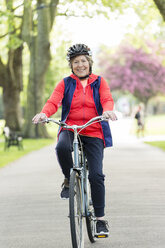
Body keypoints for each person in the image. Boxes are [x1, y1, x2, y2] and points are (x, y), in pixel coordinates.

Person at [32, 44, 117, 236]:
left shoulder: (99, 82)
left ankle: (100, 221)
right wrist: (44, 113)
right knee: (61, 147)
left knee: (96, 175)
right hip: (70, 127)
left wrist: (107, 111)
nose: (80, 65)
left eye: (83, 61)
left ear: (89, 63)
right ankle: (69, 180)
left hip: (93, 129)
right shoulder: (65, 83)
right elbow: (53, 101)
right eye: (76, 62)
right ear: (71, 65)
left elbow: (106, 99)